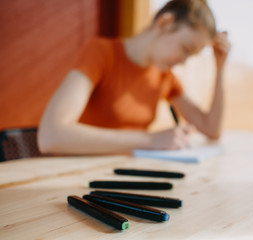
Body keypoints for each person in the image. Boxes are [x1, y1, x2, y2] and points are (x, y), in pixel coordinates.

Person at [37, 0, 231, 155]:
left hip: (125, 173)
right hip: (78, 176)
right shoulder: (102, 53)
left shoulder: (164, 76)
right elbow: (51, 135)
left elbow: (211, 129)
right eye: (186, 49)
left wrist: (220, 68)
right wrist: (151, 140)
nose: (184, 61)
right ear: (165, 23)